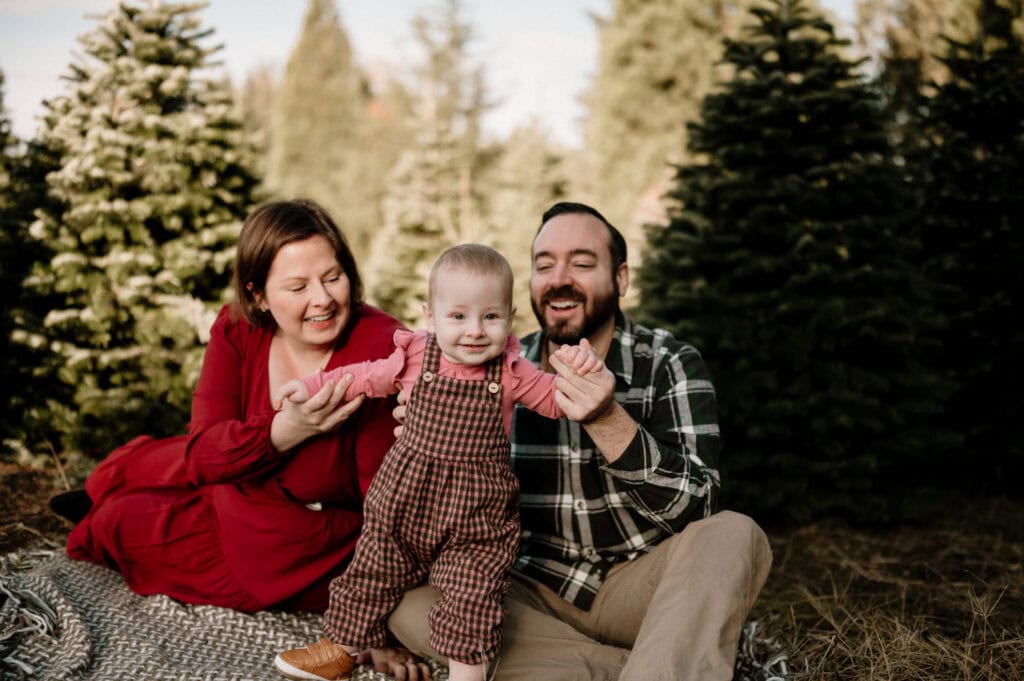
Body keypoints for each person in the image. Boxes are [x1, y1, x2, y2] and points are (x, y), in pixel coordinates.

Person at [381, 202, 774, 681]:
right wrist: (427, 443)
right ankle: (634, 670)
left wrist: (608, 419)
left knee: (733, 533)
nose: (559, 279)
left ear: (622, 279)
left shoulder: (669, 361)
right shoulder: (491, 367)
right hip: (528, 588)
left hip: (641, 585)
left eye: (582, 263)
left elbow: (699, 507)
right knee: (407, 603)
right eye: (544, 265)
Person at [51, 199, 428, 677]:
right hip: (231, 477)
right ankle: (102, 485)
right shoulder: (238, 328)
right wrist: (282, 432)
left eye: (333, 277)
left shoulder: (382, 353)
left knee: (115, 524)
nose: (324, 299)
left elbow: (391, 508)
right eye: (297, 286)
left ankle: (102, 504)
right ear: (260, 296)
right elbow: (207, 444)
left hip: (298, 541)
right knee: (147, 462)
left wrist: (371, 626)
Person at [273, 244, 606, 681]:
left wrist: (584, 377)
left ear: (509, 319)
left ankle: (466, 676)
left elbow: (558, 401)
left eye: (490, 317)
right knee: (373, 567)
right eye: (458, 316)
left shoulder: (511, 370)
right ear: (431, 316)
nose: (474, 331)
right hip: (405, 501)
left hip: (476, 516)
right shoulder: (414, 356)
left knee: (474, 595)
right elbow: (362, 377)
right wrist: (311, 383)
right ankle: (343, 647)